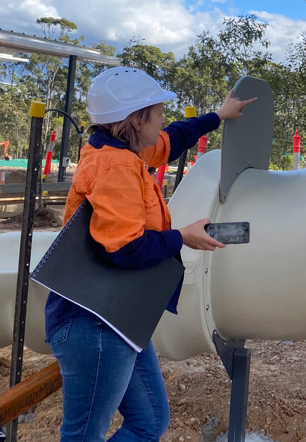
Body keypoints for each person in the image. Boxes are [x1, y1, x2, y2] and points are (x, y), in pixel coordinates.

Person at [44, 66, 256, 441]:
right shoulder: (114, 166)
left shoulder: (119, 149)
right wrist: (181, 238)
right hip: (94, 322)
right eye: (157, 111)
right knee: (83, 435)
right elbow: (124, 248)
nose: (163, 118)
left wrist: (218, 117)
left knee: (150, 420)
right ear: (136, 119)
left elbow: (170, 142)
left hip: (120, 317)